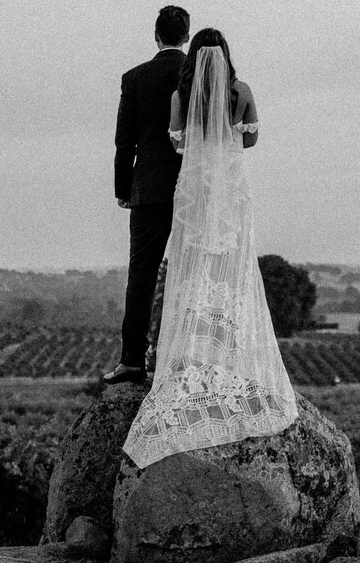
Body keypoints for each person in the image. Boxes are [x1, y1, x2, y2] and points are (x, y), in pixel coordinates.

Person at [122, 28, 296, 466]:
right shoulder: (241, 91)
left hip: (195, 188)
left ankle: (189, 356)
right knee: (230, 266)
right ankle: (229, 354)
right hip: (231, 187)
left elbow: (177, 141)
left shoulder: (182, 96)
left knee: (192, 266)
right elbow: (251, 138)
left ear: (194, 57)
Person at [105, 5, 190, 385]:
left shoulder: (134, 78)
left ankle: (133, 361)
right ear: (186, 36)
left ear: (155, 35)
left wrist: (124, 189)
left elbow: (125, 142)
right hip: (194, 186)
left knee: (141, 275)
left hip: (150, 189)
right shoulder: (201, 75)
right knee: (195, 272)